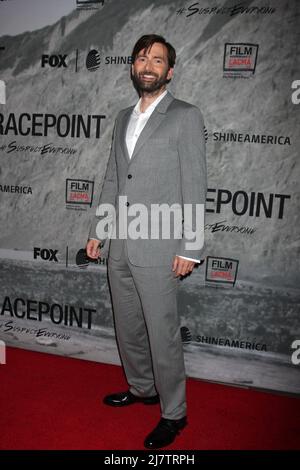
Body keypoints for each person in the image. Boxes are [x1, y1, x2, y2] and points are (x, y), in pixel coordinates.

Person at [86, 34, 207, 449]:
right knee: (128, 328)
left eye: (157, 59)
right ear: (133, 67)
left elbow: (195, 184)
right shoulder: (123, 118)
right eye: (142, 58)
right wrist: (99, 231)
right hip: (121, 242)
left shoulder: (185, 116)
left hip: (160, 245)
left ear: (169, 71)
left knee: (162, 333)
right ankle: (142, 388)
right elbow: (113, 178)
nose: (148, 64)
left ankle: (175, 414)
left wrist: (190, 247)